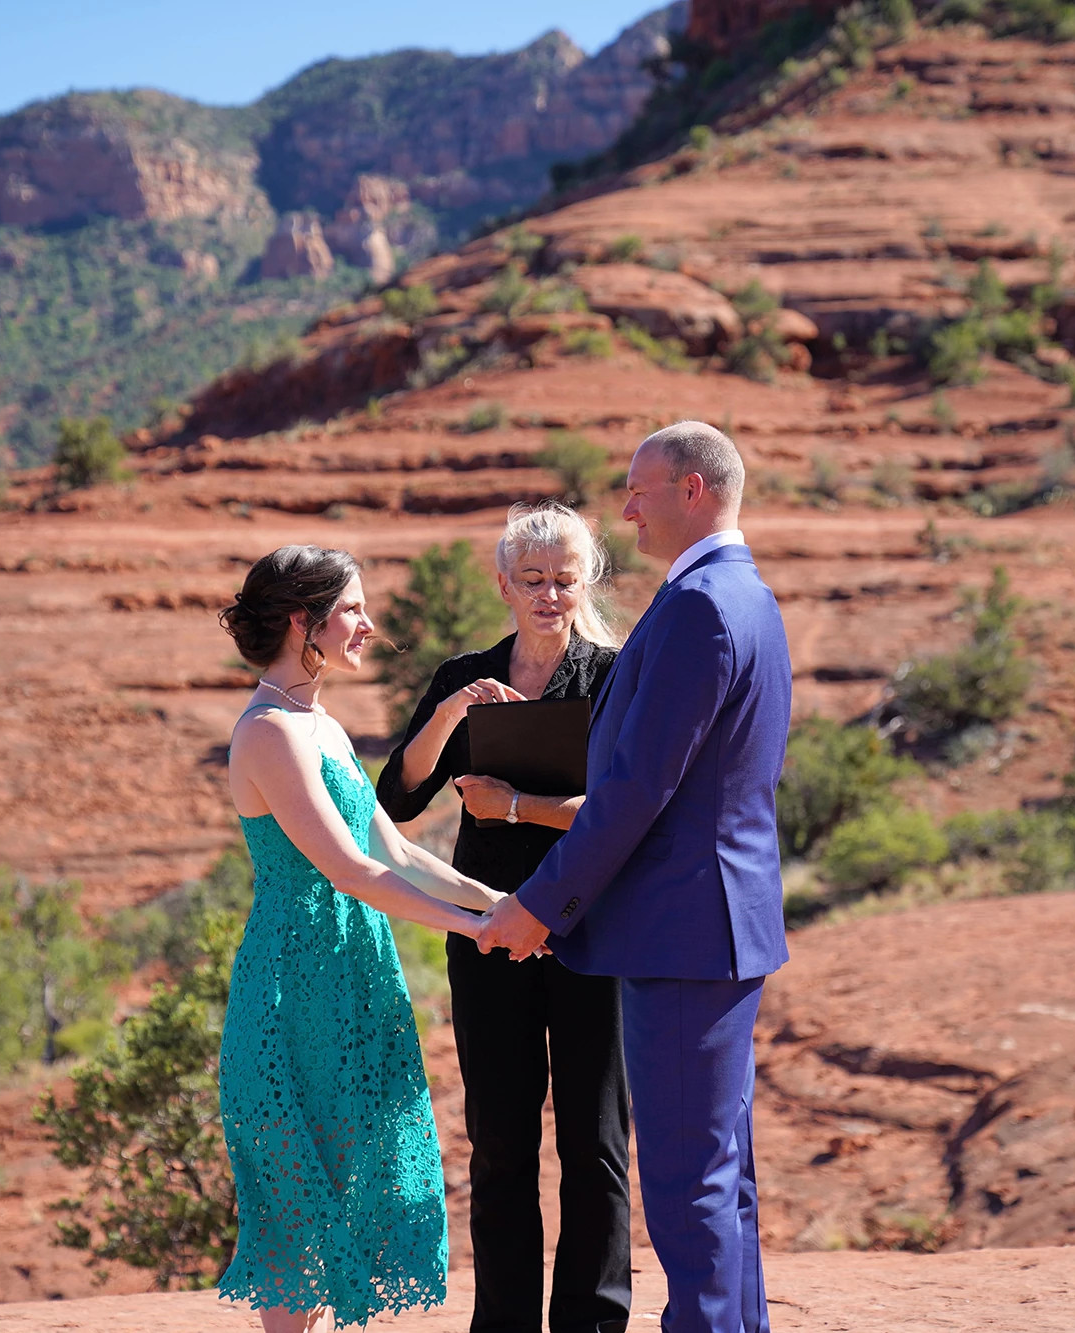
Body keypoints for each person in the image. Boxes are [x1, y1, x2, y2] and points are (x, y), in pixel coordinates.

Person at [476, 424, 793, 1333]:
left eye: (637, 489)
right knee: (722, 1179)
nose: (624, 508)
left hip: (684, 933)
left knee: (690, 1189)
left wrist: (538, 905)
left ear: (692, 489)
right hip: (719, 923)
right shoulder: (743, 592)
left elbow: (637, 790)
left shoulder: (698, 605)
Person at [216, 545, 502, 1333]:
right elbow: (348, 871)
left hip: (354, 973)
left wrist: (507, 903)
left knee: (352, 1178)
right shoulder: (269, 731)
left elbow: (400, 854)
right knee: (297, 1200)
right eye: (353, 609)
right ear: (303, 621)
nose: (369, 624)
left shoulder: (323, 726)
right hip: (293, 981)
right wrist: (479, 928)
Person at [375, 502, 632, 1333]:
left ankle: (592, 1320)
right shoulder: (465, 674)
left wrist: (517, 806)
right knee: (500, 1142)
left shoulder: (614, 674)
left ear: (585, 580)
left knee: (594, 1144)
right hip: (485, 935)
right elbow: (400, 798)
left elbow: (626, 812)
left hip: (593, 929)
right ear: (502, 583)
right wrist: (450, 712)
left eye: (563, 578)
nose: (549, 594)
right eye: (532, 579)